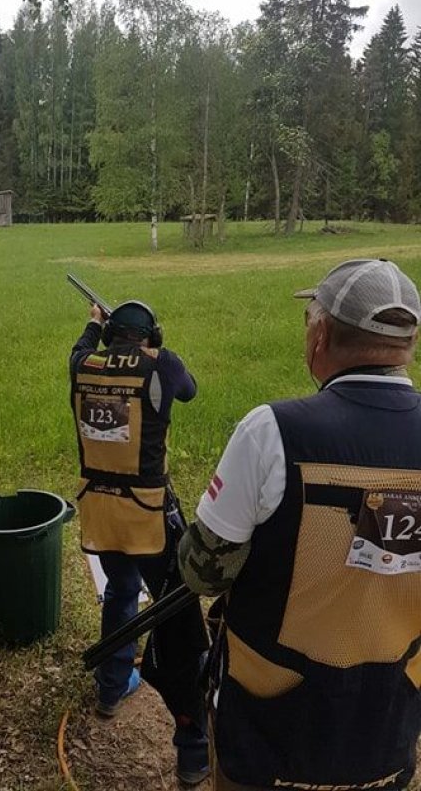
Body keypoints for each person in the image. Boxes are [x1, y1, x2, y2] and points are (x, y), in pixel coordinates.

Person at [178, 258, 421, 791]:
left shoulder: (272, 430)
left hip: (268, 734)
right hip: (389, 728)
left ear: (320, 334)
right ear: (406, 345)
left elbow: (204, 573)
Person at [70, 299, 210, 787]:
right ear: (151, 335)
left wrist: (95, 322)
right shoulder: (161, 365)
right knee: (177, 619)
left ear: (109, 334)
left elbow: (83, 346)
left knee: (120, 591)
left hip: (101, 510)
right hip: (149, 516)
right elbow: (189, 390)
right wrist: (156, 347)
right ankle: (194, 748)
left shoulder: (83, 365)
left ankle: (112, 686)